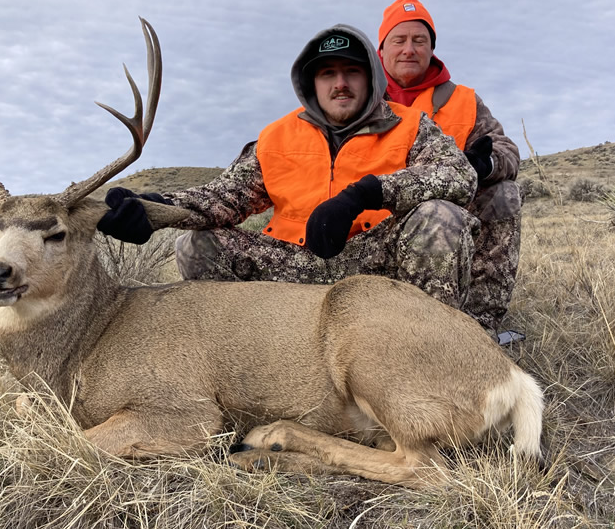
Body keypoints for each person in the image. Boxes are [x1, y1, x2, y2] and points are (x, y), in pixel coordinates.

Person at [97, 24, 484, 316]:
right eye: (327, 73)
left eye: (352, 71)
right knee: (197, 245)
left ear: (372, 77)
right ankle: (239, 360)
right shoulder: (277, 135)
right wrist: (155, 208)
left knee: (440, 219)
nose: (340, 84)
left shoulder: (411, 125)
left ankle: (428, 350)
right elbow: (224, 197)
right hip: (293, 265)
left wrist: (365, 194)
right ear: (311, 82)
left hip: (377, 264)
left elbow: (459, 174)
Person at [378, 0, 522, 334]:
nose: (409, 49)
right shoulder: (359, 98)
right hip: (376, 221)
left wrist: (484, 165)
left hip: (448, 217)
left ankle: (480, 327)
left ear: (432, 48)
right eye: (399, 40)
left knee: (505, 194)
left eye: (419, 40)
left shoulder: (464, 100)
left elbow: (507, 150)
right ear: (381, 50)